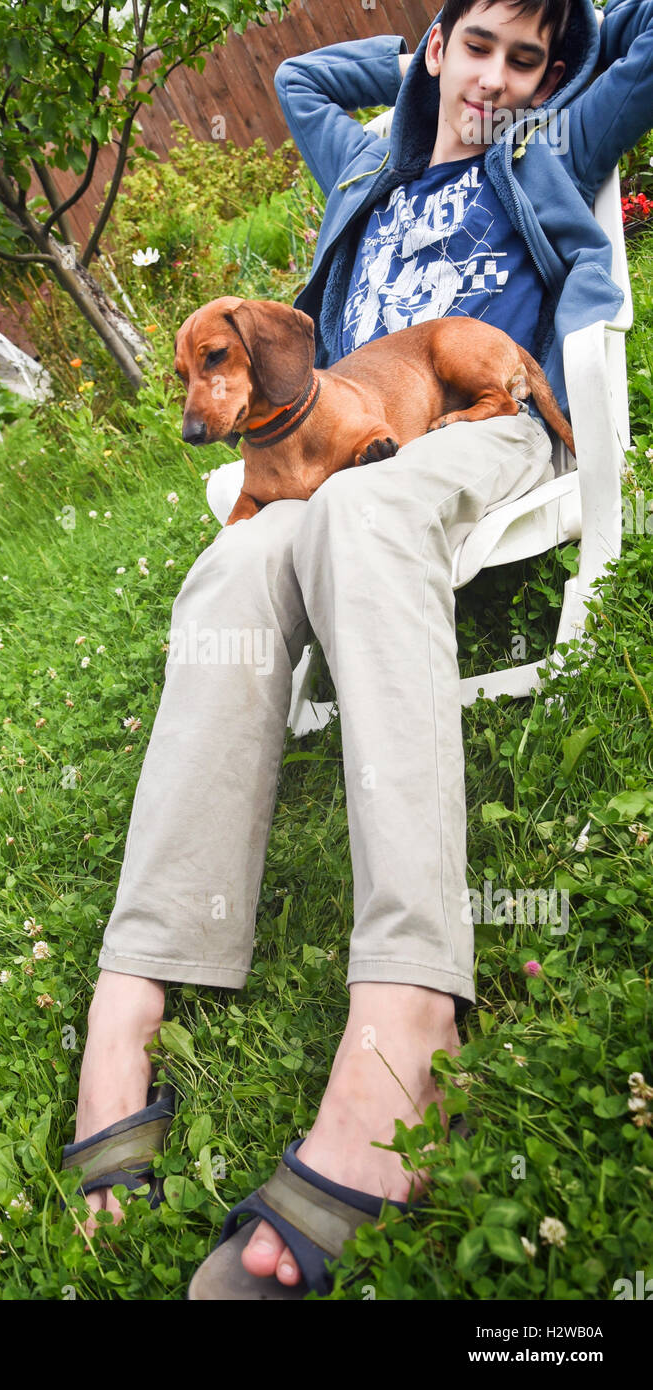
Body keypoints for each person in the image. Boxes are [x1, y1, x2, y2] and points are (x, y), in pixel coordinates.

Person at [65, 0, 653, 1298]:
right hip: (333, 442)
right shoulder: (364, 162)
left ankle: (408, 1012)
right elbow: (295, 77)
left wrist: (574, 37)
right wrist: (411, 65)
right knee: (230, 562)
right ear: (436, 48)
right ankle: (130, 996)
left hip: (472, 421)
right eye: (477, 45)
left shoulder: (546, 145)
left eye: (527, 59)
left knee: (368, 507)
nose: (498, 79)